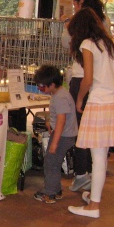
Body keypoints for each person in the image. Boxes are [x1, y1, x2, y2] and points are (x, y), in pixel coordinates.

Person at [66, 7, 114, 218]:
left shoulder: (88, 44)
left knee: (97, 156)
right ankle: (93, 197)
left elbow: (87, 78)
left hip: (99, 103)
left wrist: (79, 98)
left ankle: (93, 206)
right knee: (101, 156)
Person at [61, 0, 112, 192]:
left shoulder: (78, 22)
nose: (74, 6)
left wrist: (66, 24)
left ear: (80, 2)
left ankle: (81, 174)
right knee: (97, 131)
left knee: (79, 129)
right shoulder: (105, 21)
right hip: (100, 82)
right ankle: (93, 172)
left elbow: (66, 43)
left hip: (82, 79)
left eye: (75, 3)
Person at [32, 64, 78, 204]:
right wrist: (49, 122)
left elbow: (62, 120)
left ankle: (50, 193)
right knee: (54, 162)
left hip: (63, 136)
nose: (41, 89)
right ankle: (56, 190)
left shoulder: (60, 97)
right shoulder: (59, 93)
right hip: (62, 134)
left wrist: (55, 142)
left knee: (51, 163)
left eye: (42, 86)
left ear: (52, 84)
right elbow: (58, 116)